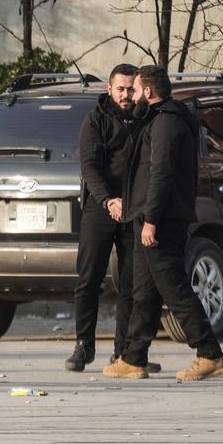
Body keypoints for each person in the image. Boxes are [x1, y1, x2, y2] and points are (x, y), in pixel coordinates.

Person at [103, 65, 223, 382]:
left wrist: (152, 221)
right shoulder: (157, 120)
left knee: (174, 288)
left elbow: (161, 175)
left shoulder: (167, 124)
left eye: (134, 90)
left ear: (148, 91)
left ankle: (209, 353)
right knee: (144, 291)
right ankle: (134, 358)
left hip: (161, 220)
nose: (130, 96)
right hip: (146, 216)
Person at [65, 64, 159, 373]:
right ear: (109, 89)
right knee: (89, 278)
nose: (126, 95)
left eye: (131, 89)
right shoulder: (96, 120)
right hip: (101, 206)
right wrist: (108, 200)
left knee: (131, 283)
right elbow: (90, 166)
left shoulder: (146, 119)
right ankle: (83, 345)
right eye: (120, 89)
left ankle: (125, 351)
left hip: (135, 209)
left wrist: (133, 203)